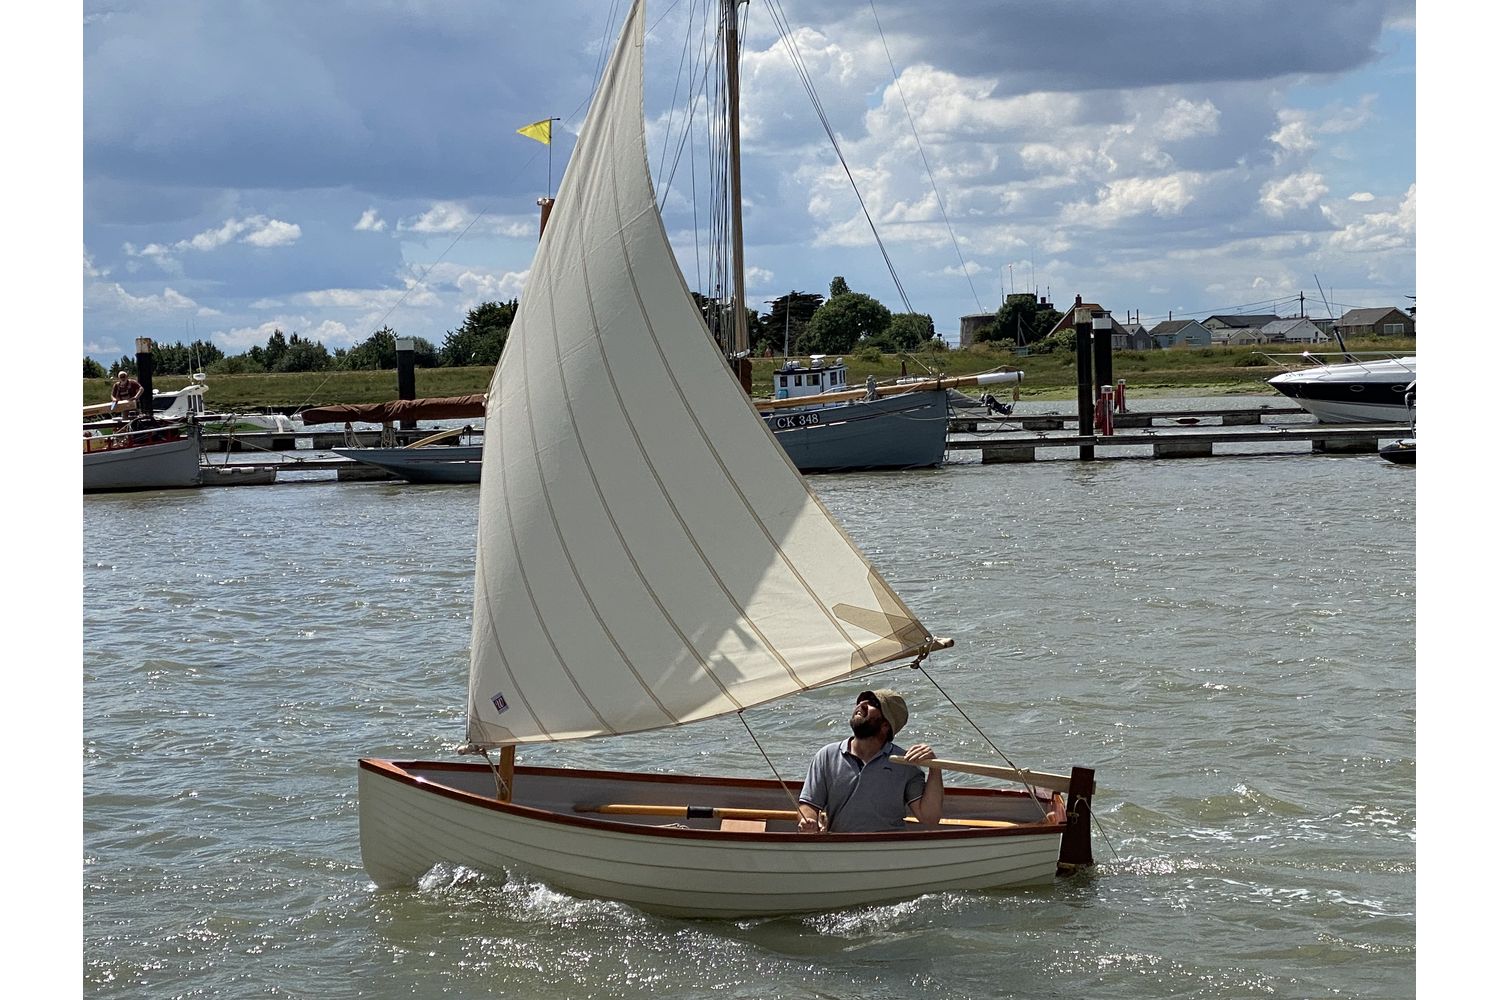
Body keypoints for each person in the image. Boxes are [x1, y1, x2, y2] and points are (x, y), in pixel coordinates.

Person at [797, 689, 943, 833]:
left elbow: (929, 818)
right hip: (841, 847)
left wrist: (934, 768)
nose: (862, 704)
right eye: (861, 700)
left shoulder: (905, 763)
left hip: (889, 849)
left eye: (873, 703)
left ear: (886, 725)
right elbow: (809, 804)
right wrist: (808, 821)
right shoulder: (827, 756)